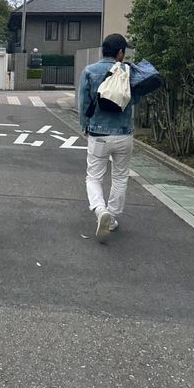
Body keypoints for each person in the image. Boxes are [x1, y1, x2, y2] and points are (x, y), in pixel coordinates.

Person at [78, 33, 138, 244]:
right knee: (120, 177)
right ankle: (111, 218)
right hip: (123, 134)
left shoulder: (89, 71)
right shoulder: (129, 72)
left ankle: (99, 210)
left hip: (98, 134)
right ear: (120, 52)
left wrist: (85, 126)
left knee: (93, 176)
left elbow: (84, 102)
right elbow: (135, 98)